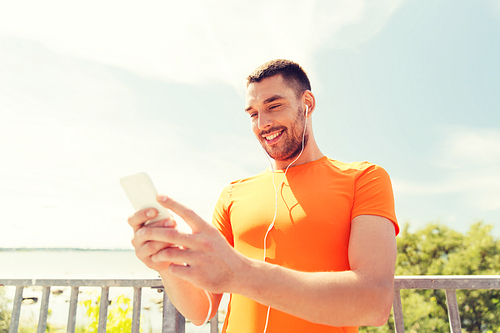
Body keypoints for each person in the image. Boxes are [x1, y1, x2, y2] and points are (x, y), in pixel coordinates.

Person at [128, 59, 399, 333]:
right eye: (253, 114)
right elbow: (201, 310)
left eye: (274, 106)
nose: (263, 123)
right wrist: (165, 263)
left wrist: (243, 275)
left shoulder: (364, 179)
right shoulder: (233, 194)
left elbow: (373, 302)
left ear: (307, 103)